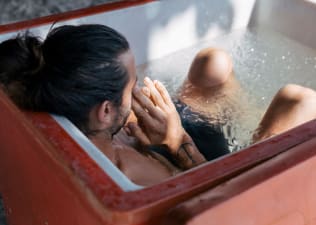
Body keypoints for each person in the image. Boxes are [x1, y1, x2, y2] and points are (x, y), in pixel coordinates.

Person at [0, 24, 206, 186]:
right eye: (132, 84)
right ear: (105, 111)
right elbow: (216, 201)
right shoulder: (134, 171)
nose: (137, 87)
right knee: (216, 65)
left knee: (212, 62)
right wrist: (177, 140)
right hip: (193, 159)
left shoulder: (61, 106)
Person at [176, 47, 316, 158]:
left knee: (214, 58)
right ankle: (254, 141)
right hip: (214, 159)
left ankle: (245, 115)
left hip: (176, 117)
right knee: (303, 100)